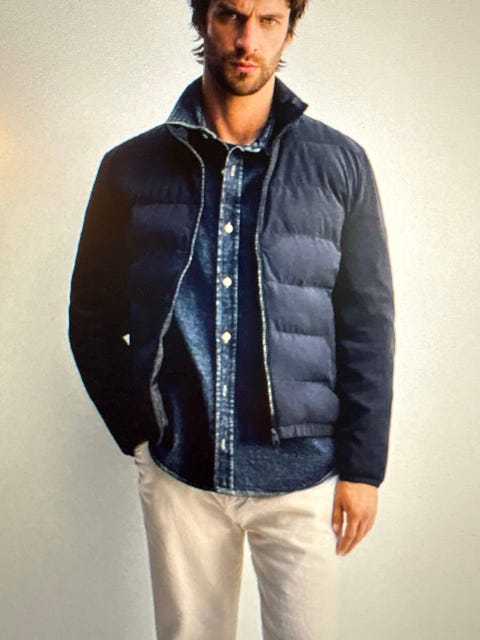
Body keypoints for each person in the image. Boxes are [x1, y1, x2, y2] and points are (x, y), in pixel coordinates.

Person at [68, 0, 395, 638]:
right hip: (181, 470)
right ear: (202, 21)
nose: (248, 39)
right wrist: (140, 436)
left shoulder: (340, 163)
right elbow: (91, 315)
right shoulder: (128, 168)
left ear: (289, 29)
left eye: (268, 19)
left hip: (304, 474)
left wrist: (364, 468)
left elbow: (367, 324)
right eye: (230, 15)